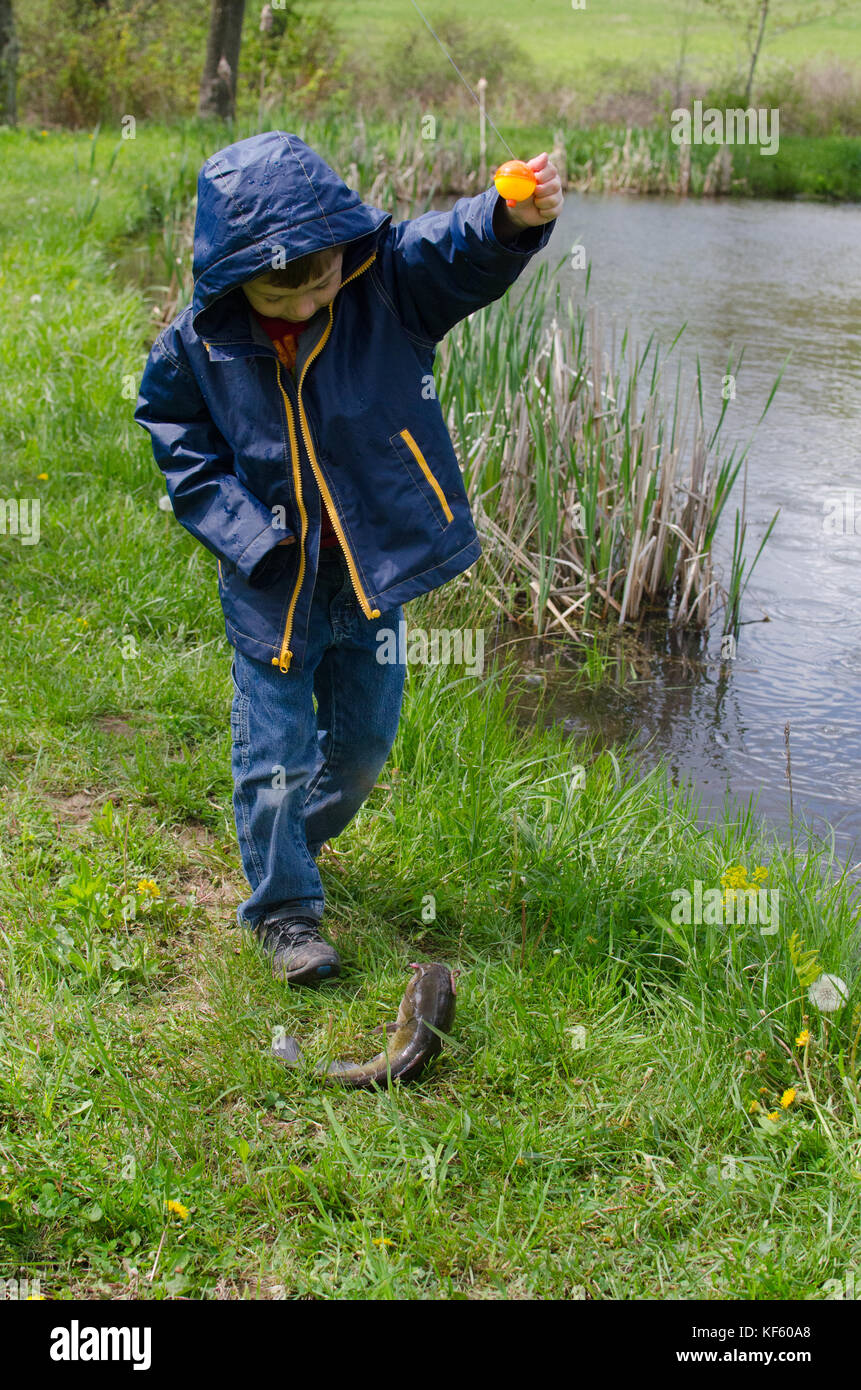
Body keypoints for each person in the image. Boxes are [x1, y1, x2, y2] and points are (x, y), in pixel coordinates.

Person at [135, 131, 560, 986]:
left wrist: (508, 219)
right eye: (279, 292)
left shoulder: (387, 288)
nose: (304, 304)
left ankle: (287, 842)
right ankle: (286, 911)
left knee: (362, 748)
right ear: (230, 278)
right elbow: (180, 447)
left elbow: (455, 251)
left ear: (343, 250)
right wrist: (247, 536)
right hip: (270, 585)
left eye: (321, 279)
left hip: (372, 575)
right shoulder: (197, 344)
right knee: (274, 756)